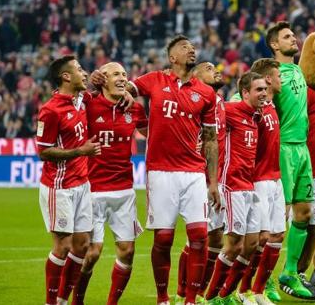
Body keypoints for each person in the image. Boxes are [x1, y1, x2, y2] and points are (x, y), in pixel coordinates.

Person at [91, 35, 220, 305]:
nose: (192, 49)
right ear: (172, 57)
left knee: (199, 235)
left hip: (194, 172)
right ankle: (163, 298)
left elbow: (210, 139)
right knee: (163, 238)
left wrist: (212, 182)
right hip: (160, 172)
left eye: (193, 47)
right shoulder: (153, 80)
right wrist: (100, 83)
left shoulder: (206, 93)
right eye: (185, 47)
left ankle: (190, 300)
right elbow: (124, 89)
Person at [71, 62, 148, 305]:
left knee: (127, 251)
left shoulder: (134, 109)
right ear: (103, 79)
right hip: (92, 190)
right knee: (91, 253)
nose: (123, 77)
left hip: (124, 190)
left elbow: (153, 132)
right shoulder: (89, 104)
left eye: (125, 74)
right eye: (116, 74)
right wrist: (88, 85)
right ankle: (77, 301)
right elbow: (66, 94)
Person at [37, 56, 100, 305]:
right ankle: (51, 302)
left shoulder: (81, 100)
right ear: (66, 77)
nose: (84, 73)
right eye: (79, 70)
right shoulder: (50, 110)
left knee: (82, 245)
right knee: (62, 246)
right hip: (59, 187)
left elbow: (100, 92)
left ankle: (64, 300)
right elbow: (43, 151)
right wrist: (80, 151)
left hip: (82, 184)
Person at [204, 72, 267, 304]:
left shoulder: (255, 117)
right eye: (258, 90)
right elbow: (208, 122)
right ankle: (212, 298)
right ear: (245, 93)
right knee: (233, 246)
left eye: (264, 89)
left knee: (252, 244)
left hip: (249, 186)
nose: (263, 94)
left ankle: (227, 294)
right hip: (232, 186)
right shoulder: (230, 111)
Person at [265, 21, 315, 299]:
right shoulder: (269, 75)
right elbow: (248, 97)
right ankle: (264, 280)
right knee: (278, 219)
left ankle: (290, 272)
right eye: (287, 37)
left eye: (293, 35)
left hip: (303, 149)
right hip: (283, 149)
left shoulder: (297, 70)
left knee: (304, 213)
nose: (293, 39)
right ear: (275, 45)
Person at [177, 62, 226, 305]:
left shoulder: (221, 103)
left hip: (221, 179)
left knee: (217, 239)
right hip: (200, 178)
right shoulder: (192, 103)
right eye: (208, 68)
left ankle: (202, 293)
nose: (215, 69)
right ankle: (181, 294)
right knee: (197, 239)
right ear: (195, 77)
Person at [237, 58, 284, 305]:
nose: (280, 80)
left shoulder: (272, 106)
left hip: (276, 179)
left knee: (277, 237)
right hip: (259, 180)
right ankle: (242, 290)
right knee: (258, 239)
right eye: (277, 76)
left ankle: (259, 290)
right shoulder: (252, 111)